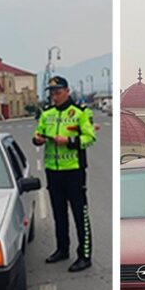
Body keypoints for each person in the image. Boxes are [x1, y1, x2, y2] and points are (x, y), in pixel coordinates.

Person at [33, 76, 96, 272]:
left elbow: (89, 138)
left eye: (58, 92)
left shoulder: (80, 113)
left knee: (80, 214)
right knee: (59, 213)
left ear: (67, 91)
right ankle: (62, 249)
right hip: (53, 171)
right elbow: (38, 134)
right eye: (52, 93)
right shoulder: (47, 114)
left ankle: (85, 255)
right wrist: (38, 139)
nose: (55, 96)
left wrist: (68, 141)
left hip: (74, 171)